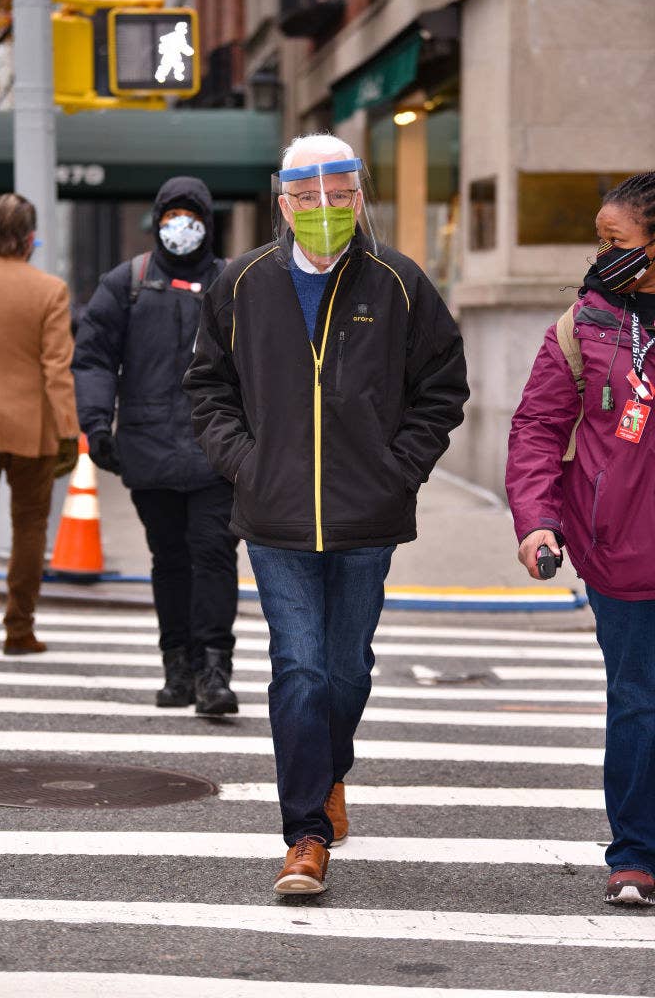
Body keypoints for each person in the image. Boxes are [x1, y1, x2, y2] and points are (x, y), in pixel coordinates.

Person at [184, 133, 468, 895]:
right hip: (274, 520)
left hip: (367, 518)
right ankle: (305, 833)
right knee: (299, 667)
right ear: (283, 201)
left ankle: (327, 768)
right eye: (306, 198)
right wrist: (247, 463)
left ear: (358, 196)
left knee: (346, 672)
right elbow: (207, 387)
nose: (323, 210)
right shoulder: (241, 283)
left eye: (338, 196)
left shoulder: (398, 283)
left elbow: (442, 387)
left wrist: (398, 469)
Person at [506, 171, 655, 907]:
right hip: (619, 552)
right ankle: (634, 854)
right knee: (638, 701)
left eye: (616, 242)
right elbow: (536, 427)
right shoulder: (583, 325)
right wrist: (538, 519)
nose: (602, 255)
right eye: (601, 240)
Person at [73, 177, 239, 716]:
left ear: (207, 224)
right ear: (157, 219)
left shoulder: (233, 283)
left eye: (192, 216)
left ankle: (214, 670)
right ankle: (179, 668)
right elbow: (94, 356)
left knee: (213, 557)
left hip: (216, 451)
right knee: (170, 560)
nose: (182, 226)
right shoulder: (129, 283)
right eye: (172, 215)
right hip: (148, 450)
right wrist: (97, 424)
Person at [0, 193, 79, 653]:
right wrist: (69, 432)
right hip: (32, 430)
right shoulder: (49, 290)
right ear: (31, 237)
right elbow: (57, 369)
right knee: (30, 526)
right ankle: (19, 629)